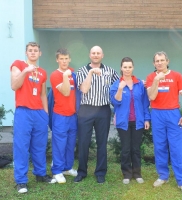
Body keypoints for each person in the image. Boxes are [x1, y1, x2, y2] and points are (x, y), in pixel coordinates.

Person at [10, 42, 56, 194]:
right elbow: (14, 85)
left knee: (39, 145)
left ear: (39, 53)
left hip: (39, 113)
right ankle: (21, 181)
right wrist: (25, 71)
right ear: (26, 53)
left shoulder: (42, 72)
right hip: (23, 111)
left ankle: (40, 174)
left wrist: (45, 113)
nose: (33, 53)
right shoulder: (18, 65)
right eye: (30, 50)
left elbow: (43, 94)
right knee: (22, 146)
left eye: (36, 50)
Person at [146, 51, 182, 194]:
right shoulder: (151, 77)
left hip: (173, 114)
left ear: (167, 61)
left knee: (177, 148)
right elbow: (152, 96)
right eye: (157, 61)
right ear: (154, 63)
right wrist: (156, 80)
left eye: (162, 60)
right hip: (157, 113)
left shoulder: (176, 76)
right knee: (160, 146)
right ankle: (163, 176)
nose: (159, 63)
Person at [74, 46, 119, 184]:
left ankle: (100, 172)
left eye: (98, 53)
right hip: (86, 110)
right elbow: (84, 89)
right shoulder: (82, 71)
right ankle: (81, 171)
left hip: (103, 110)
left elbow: (119, 84)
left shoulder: (110, 71)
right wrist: (91, 73)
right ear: (89, 55)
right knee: (83, 142)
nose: (95, 55)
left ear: (102, 55)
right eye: (93, 53)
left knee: (102, 142)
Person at [110, 57, 150, 185]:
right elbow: (115, 102)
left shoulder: (139, 84)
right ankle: (127, 174)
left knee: (136, 149)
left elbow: (145, 103)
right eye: (125, 67)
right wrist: (121, 88)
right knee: (126, 149)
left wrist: (147, 118)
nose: (127, 69)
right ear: (121, 68)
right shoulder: (116, 84)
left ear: (133, 68)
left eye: (130, 67)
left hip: (138, 121)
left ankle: (137, 174)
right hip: (123, 122)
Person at [49, 48, 79, 183]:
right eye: (61, 58)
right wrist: (66, 76)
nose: (64, 61)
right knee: (59, 144)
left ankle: (67, 167)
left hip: (72, 115)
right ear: (57, 60)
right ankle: (57, 170)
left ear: (70, 59)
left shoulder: (73, 74)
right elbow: (66, 92)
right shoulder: (55, 75)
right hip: (60, 115)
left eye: (66, 58)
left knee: (70, 144)